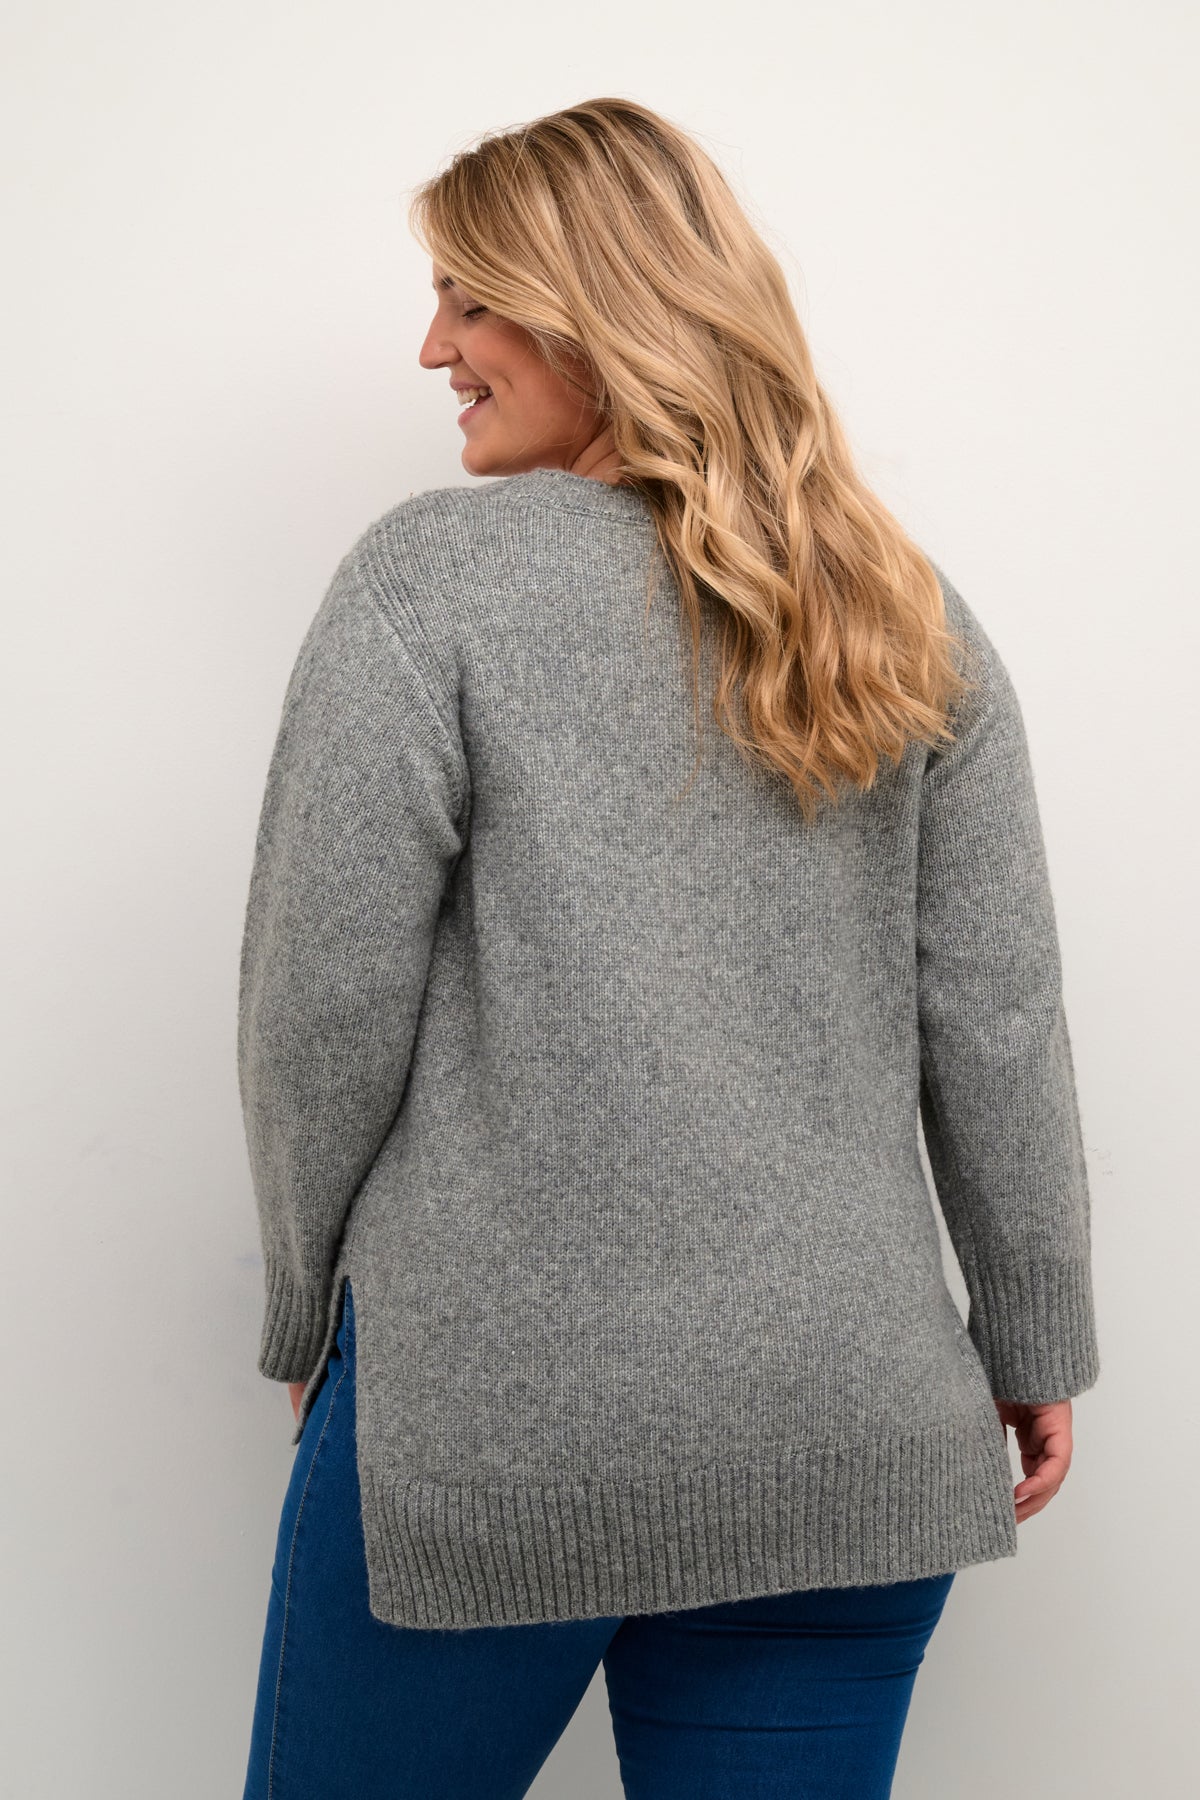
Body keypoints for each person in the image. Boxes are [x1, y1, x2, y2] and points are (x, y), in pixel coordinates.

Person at [237, 97, 1100, 1800]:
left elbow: (319, 1010)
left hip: (501, 1421)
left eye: (471, 300)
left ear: (593, 312)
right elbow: (999, 1021)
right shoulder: (903, 612)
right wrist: (1032, 1339)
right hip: (853, 1425)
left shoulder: (429, 587)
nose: (434, 348)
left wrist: (301, 1315)